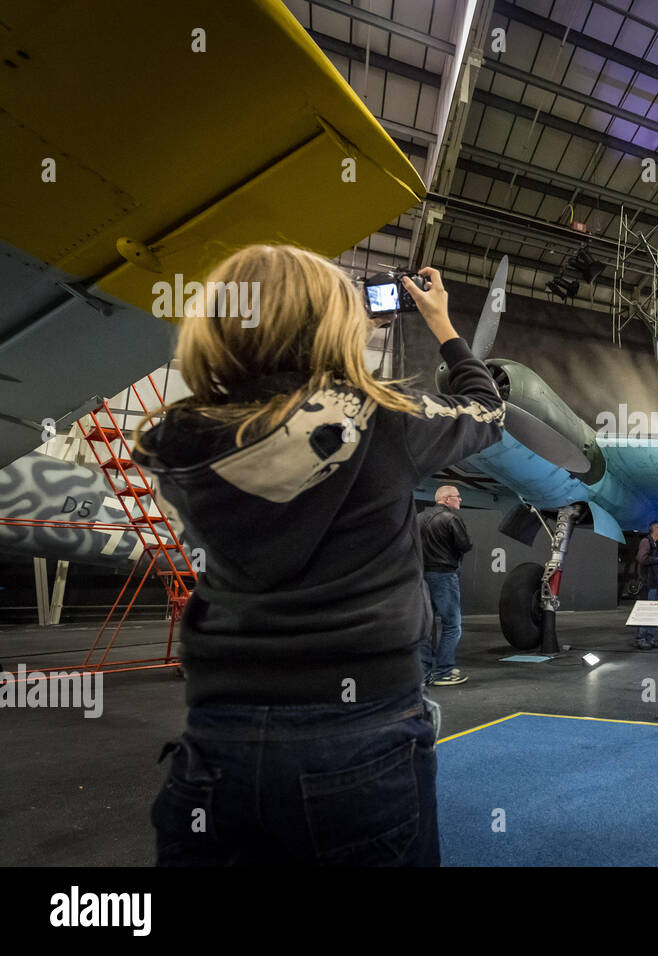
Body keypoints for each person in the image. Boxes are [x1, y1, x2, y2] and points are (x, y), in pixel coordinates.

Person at [132, 245, 503, 865]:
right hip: (361, 733)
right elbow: (488, 413)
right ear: (336, 326)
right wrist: (442, 325)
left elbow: (279, 410)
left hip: (216, 742)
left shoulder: (176, 440)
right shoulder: (386, 417)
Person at [417, 485, 471, 687]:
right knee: (452, 626)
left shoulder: (419, 518)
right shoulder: (451, 518)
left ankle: (423, 674)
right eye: (458, 497)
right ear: (447, 499)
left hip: (421, 577)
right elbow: (464, 545)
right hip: (444, 576)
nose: (460, 500)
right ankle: (443, 672)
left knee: (425, 627)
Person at [633, 520, 658, 649]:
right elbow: (641, 558)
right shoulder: (646, 542)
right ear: (655, 529)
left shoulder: (653, 543)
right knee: (646, 610)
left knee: (653, 611)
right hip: (648, 583)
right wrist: (656, 560)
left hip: (653, 582)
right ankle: (642, 638)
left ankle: (650, 638)